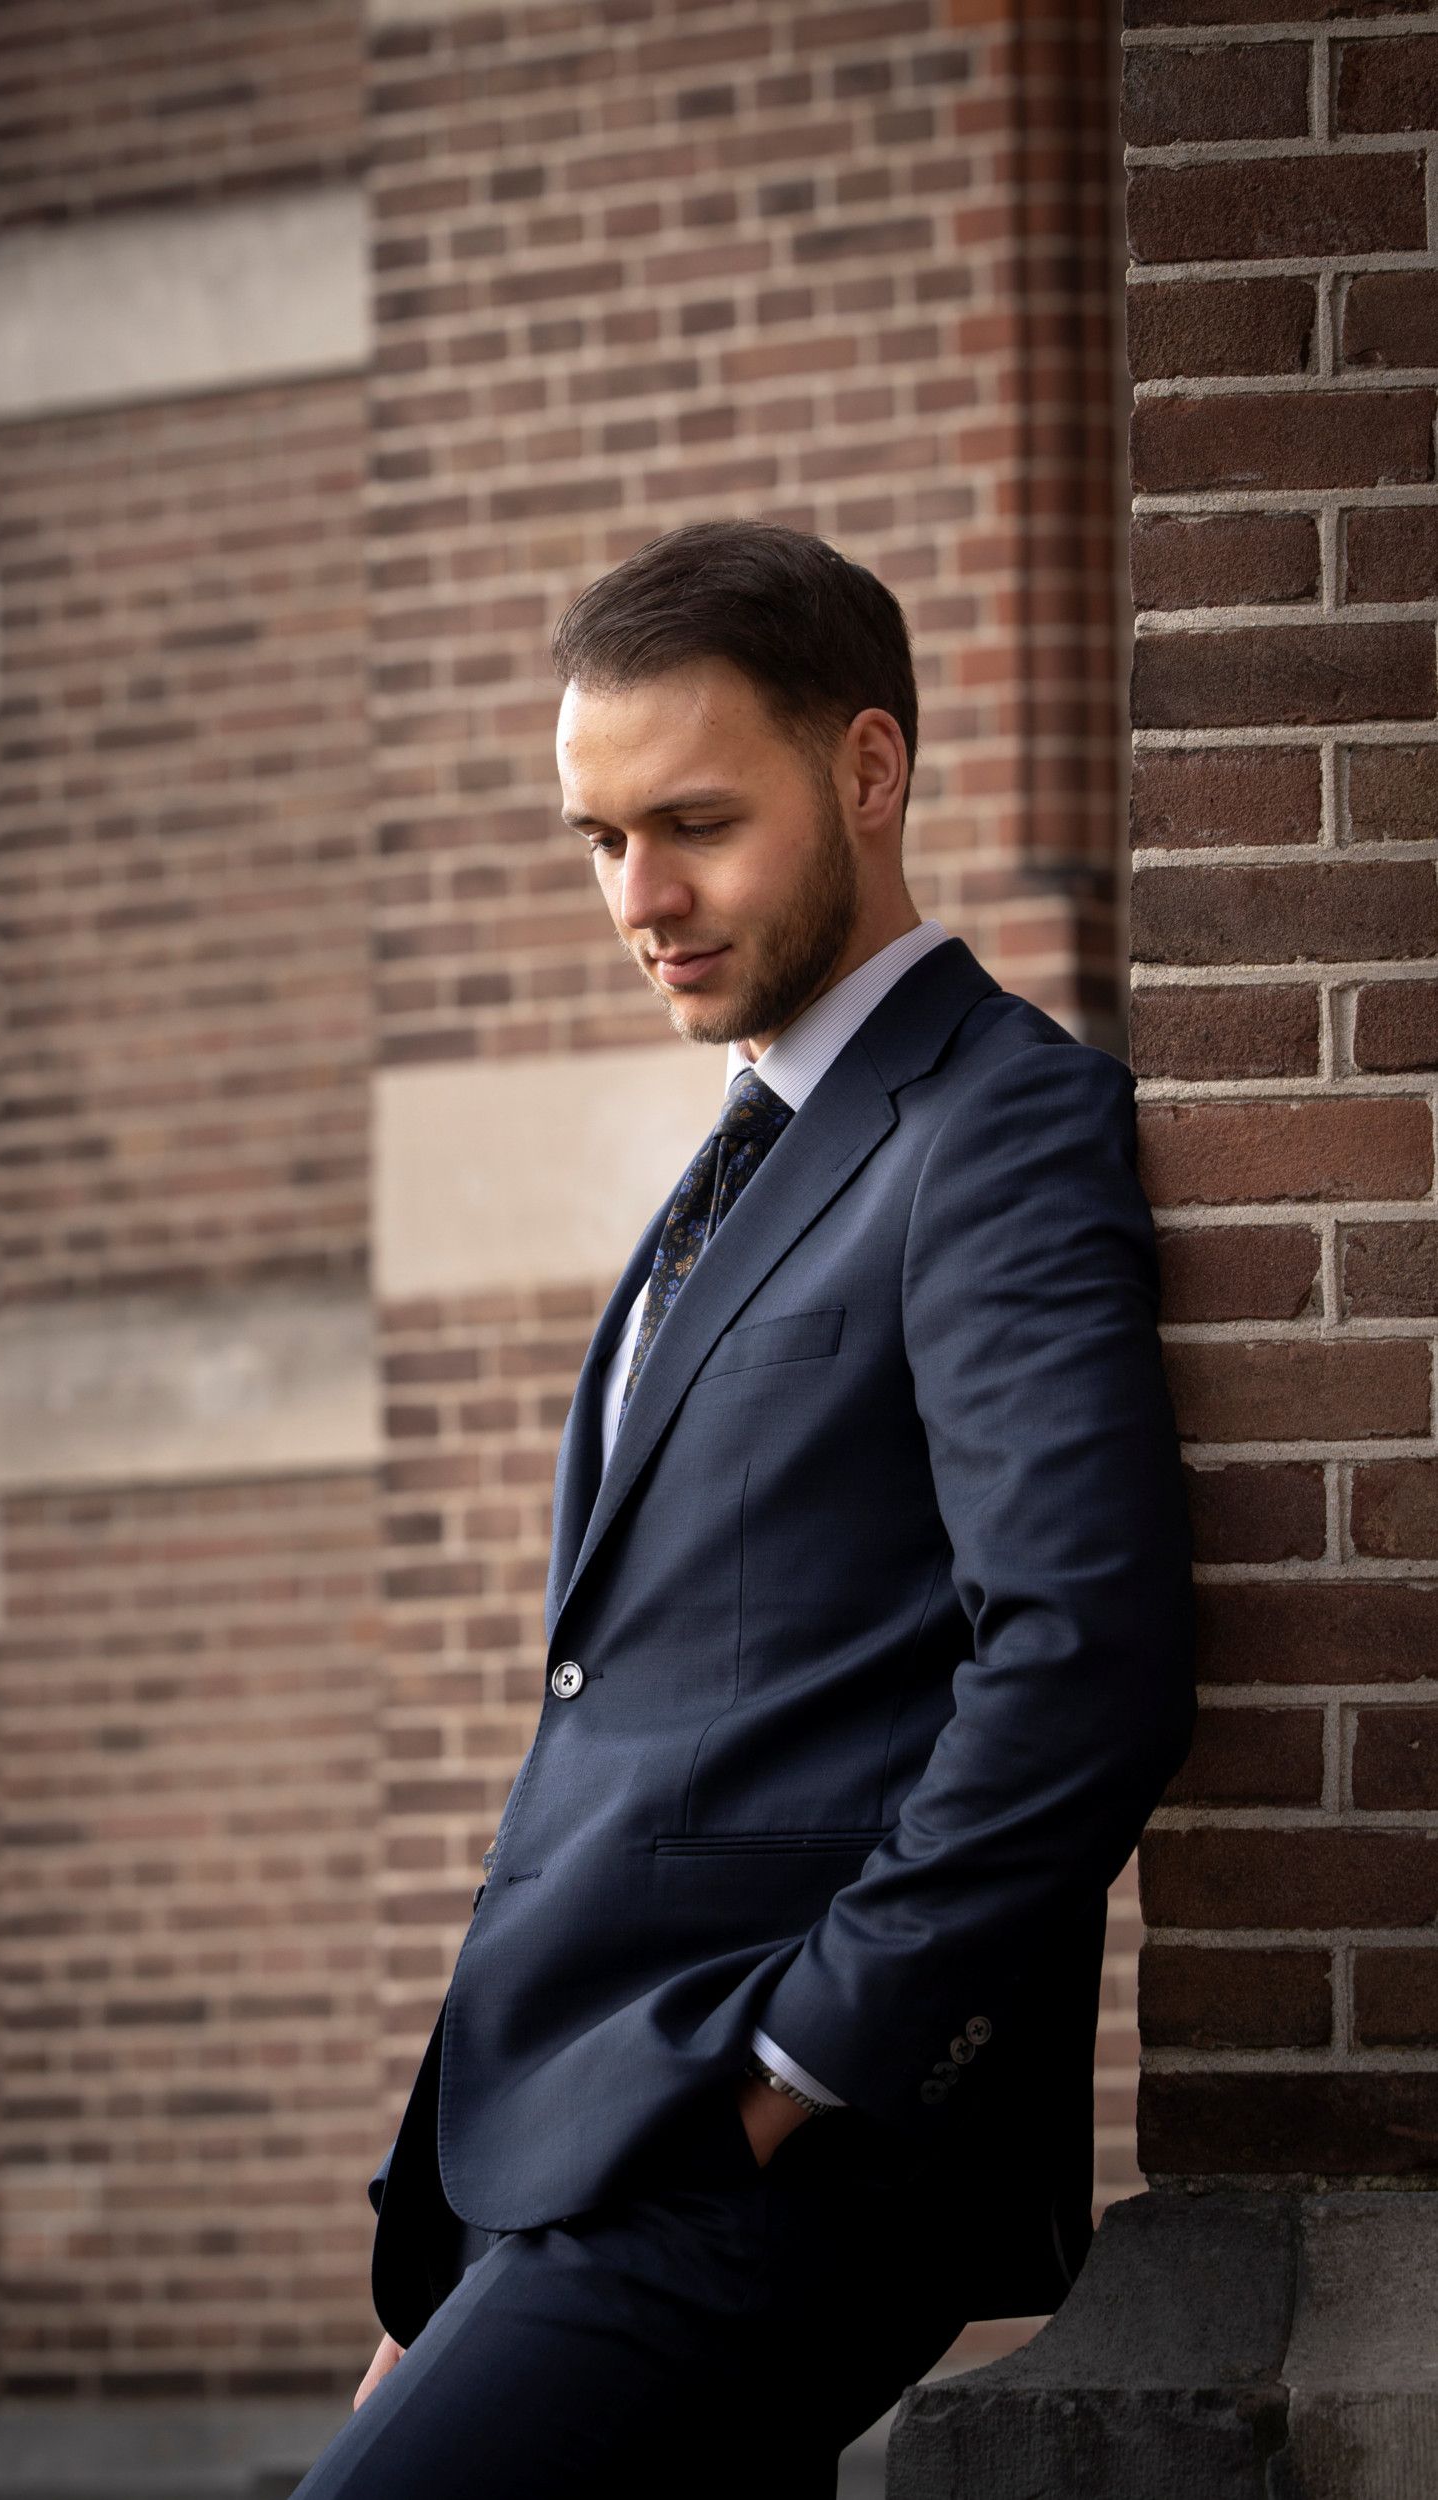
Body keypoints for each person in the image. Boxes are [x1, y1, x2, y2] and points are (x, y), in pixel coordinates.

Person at [291, 519, 1197, 2498]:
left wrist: (795, 2071)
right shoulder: (747, 1156)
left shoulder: (992, 1123)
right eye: (598, 838)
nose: (642, 896)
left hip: (745, 2153)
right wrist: (450, 2231)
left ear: (867, 770)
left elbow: (1081, 1654)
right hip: (550, 2148)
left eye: (692, 820)